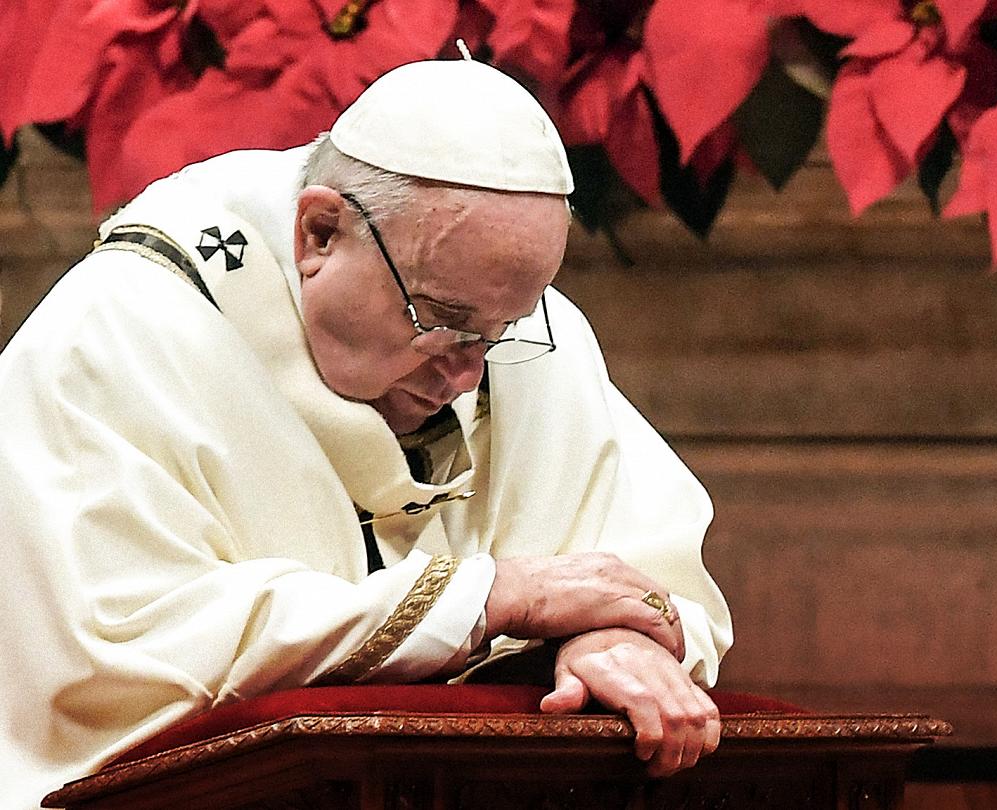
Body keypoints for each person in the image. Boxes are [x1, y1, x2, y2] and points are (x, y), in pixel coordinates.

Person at [0, 56, 732, 809]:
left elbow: (648, 580)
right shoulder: (116, 340)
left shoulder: (520, 333)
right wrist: (492, 597)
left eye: (500, 333)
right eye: (440, 324)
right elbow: (121, 655)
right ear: (320, 234)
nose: (470, 374)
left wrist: (608, 641)